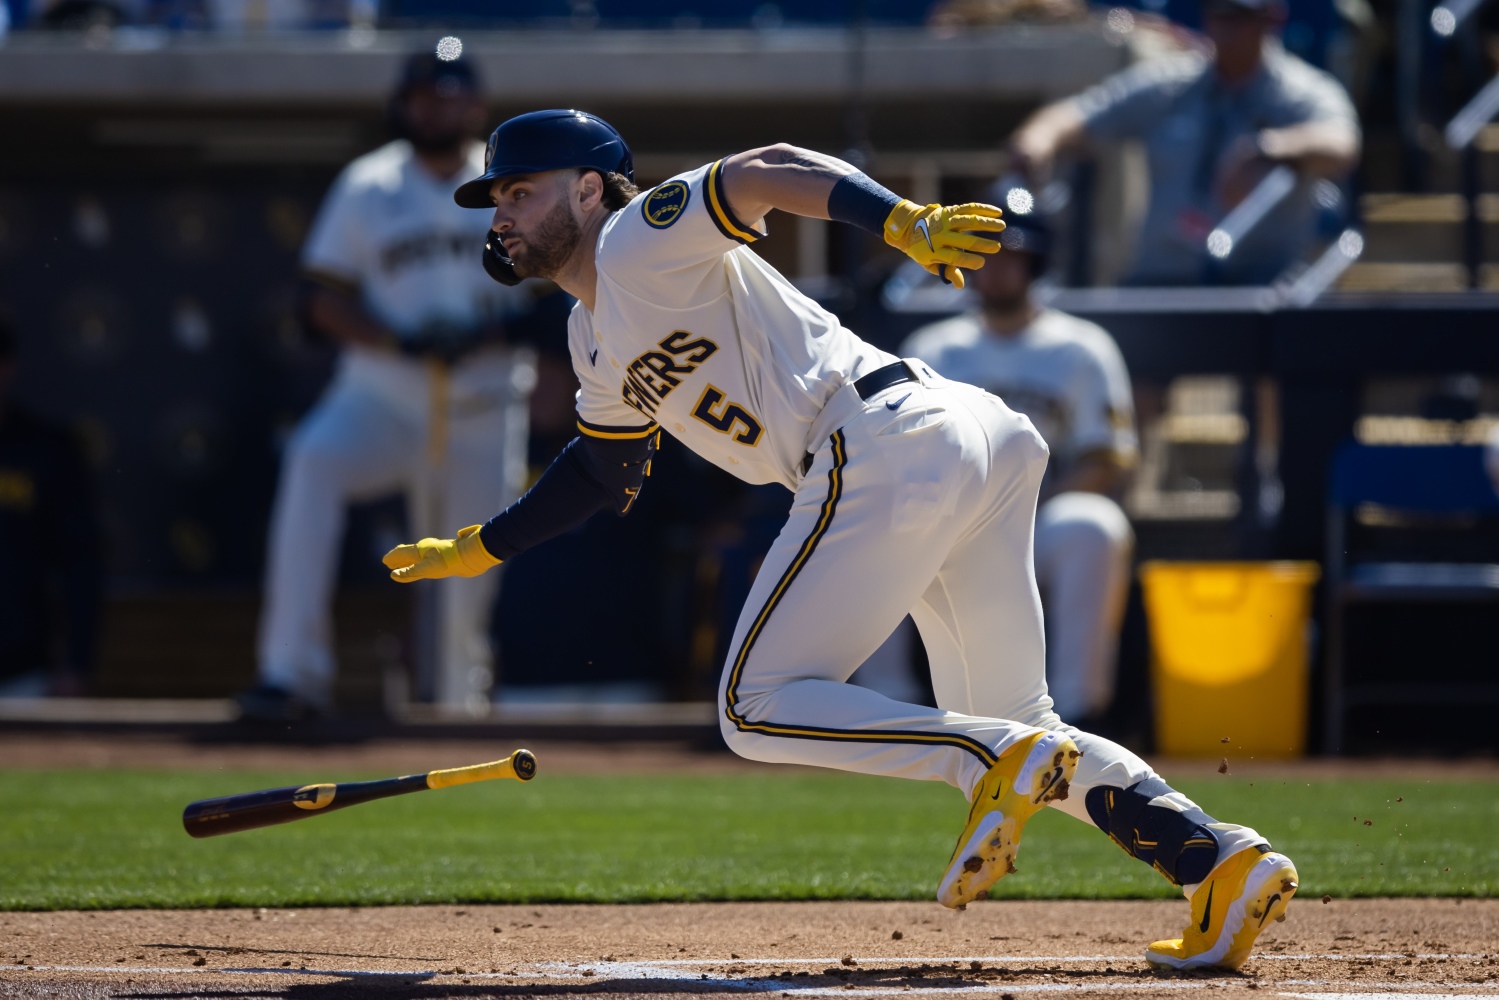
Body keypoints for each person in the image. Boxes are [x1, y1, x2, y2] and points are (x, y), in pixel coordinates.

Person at [382, 109, 1299, 970]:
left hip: (877, 437)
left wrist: (901, 219)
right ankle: (1218, 864)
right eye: (499, 198)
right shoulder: (591, 337)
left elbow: (767, 171)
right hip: (960, 437)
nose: (503, 212)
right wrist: (476, 548)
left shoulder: (633, 236)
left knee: (753, 708)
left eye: (520, 190)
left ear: (590, 188)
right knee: (1024, 722)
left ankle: (989, 758)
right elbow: (603, 473)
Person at [238, 48, 536, 722]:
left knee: (473, 575)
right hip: (383, 395)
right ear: (403, 104)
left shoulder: (514, 184)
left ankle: (462, 707)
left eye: (451, 97)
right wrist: (397, 338)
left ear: (477, 109)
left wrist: (489, 332)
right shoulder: (368, 184)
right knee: (313, 460)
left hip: (483, 404)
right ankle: (291, 673)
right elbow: (320, 299)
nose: (438, 108)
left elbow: (554, 298)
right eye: (425, 97)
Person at [901, 204, 1136, 729]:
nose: (997, 268)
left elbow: (1105, 459)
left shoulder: (1082, 347)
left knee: (1093, 524)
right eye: (983, 256)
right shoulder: (931, 347)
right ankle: (887, 709)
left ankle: (1079, 713)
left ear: (1036, 264)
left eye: (1012, 257)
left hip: (1040, 516)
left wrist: (1016, 514)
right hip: (949, 519)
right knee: (875, 522)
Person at [1009, 0, 1360, 286]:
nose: (1226, 28)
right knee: (1127, 350)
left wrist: (1271, 149)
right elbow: (1078, 115)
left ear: (1272, 18)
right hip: (1165, 274)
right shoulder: (1172, 85)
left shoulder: (1302, 92)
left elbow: (1342, 145)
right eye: (1218, 14)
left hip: (1258, 280)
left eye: (1240, 17)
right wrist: (1038, 142)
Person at [0, 315, 103, 697]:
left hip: (22, 673)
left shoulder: (48, 451)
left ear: (8, 367)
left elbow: (81, 563)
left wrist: (78, 663)